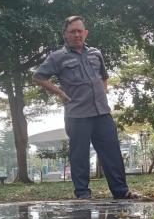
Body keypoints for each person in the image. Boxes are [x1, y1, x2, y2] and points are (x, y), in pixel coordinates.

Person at [33, 16, 136, 199]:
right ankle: (82, 194)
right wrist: (60, 93)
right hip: (77, 114)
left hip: (102, 113)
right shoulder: (58, 57)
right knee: (79, 156)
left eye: (80, 31)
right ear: (66, 35)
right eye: (73, 31)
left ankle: (121, 191)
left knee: (112, 153)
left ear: (85, 32)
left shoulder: (96, 53)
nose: (77, 34)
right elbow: (39, 77)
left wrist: (103, 93)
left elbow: (104, 76)